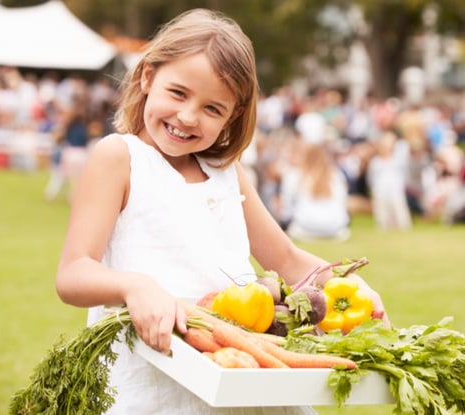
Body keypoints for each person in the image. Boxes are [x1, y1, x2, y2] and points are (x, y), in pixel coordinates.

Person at [54, 9, 389, 415]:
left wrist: (349, 288)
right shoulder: (119, 158)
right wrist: (134, 286)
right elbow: (73, 272)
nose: (188, 116)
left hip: (236, 370)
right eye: (177, 93)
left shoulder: (226, 172)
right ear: (147, 77)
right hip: (155, 379)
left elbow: (284, 259)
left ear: (232, 116)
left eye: (213, 108)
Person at [278, 141, 351, 241]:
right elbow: (343, 201)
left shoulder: (294, 175)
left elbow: (287, 207)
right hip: (335, 226)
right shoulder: (336, 175)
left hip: (305, 225)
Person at [366, 132, 412, 230]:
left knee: (401, 217)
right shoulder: (375, 162)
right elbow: (371, 178)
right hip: (380, 193)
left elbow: (405, 174)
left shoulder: (398, 160)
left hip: (396, 192)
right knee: (382, 219)